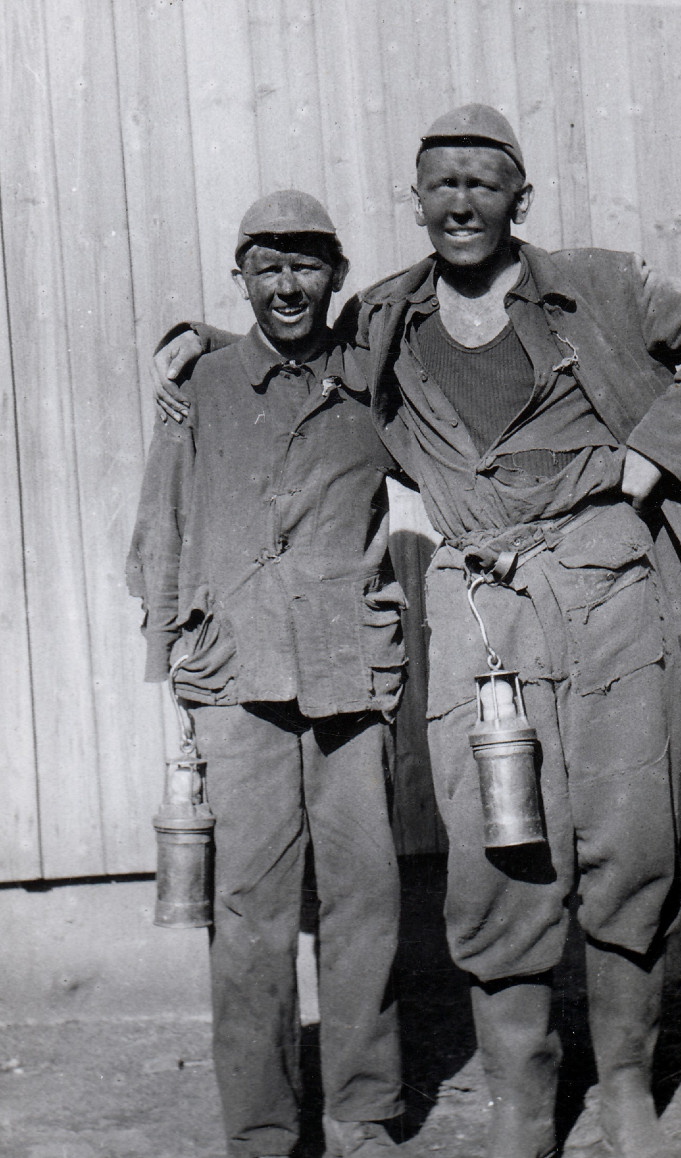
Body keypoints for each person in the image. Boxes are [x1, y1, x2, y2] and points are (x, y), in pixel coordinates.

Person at [152, 107, 681, 1158]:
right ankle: (520, 1096)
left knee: (626, 838)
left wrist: (652, 457)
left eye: (484, 182)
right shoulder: (387, 318)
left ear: (518, 199)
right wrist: (204, 348)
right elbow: (291, 348)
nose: (460, 201)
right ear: (415, 200)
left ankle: (621, 1084)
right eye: (440, 183)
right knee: (499, 846)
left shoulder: (600, 286)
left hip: (606, 584)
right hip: (477, 599)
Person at [128, 191, 407, 1158]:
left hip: (349, 666)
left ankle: (364, 1110)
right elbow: (159, 527)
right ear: (240, 277)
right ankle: (260, 1128)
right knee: (248, 914)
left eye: (307, 264)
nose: (288, 285)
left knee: (365, 898)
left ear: (337, 273)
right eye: (267, 267)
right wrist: (171, 666)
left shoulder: (378, 380)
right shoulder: (196, 386)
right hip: (234, 672)